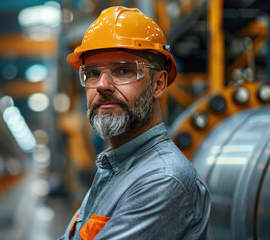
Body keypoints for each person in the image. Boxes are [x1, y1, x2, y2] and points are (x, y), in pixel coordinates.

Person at [58, 6, 211, 240]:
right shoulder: (115, 166)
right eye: (92, 73)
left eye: (123, 70)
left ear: (158, 84)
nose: (102, 85)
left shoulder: (163, 180)